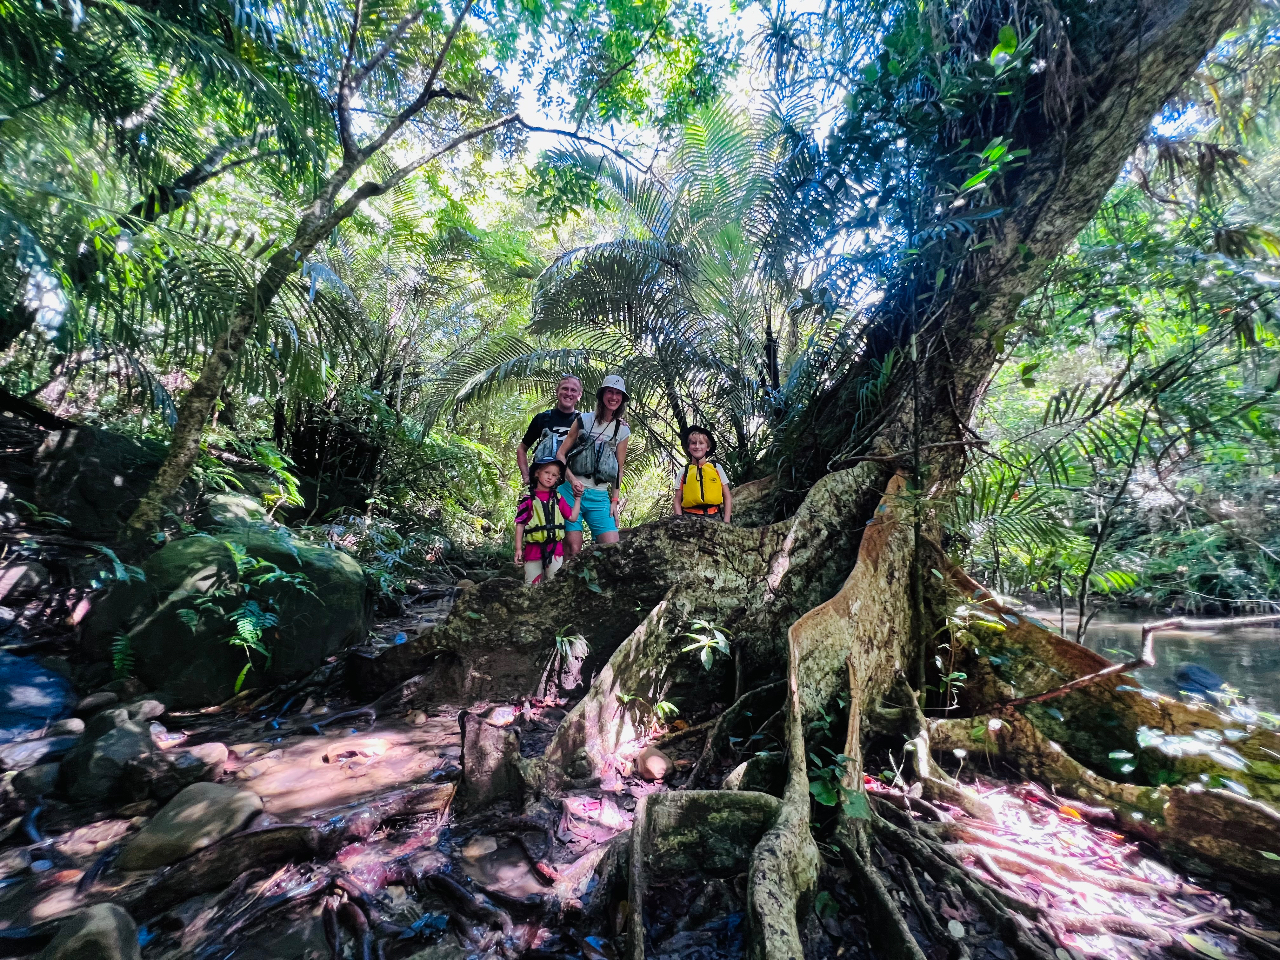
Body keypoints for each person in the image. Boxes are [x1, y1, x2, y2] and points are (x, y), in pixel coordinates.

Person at [557, 374, 630, 555]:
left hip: (599, 496)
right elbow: (560, 454)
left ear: (622, 399)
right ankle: (565, 582)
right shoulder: (583, 420)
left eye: (618, 394)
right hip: (570, 492)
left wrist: (615, 500)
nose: (613, 397)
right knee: (573, 548)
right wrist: (573, 480)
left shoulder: (622, 429)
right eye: (610, 392)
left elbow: (619, 468)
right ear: (602, 394)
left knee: (611, 549)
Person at [514, 458, 581, 585]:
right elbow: (520, 525)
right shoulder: (527, 500)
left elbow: (572, 517)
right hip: (532, 550)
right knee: (531, 586)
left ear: (557, 478)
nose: (550, 477)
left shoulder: (558, 498)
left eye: (554, 475)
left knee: (554, 584)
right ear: (537, 473)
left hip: (555, 549)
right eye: (546, 472)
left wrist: (577, 499)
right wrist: (518, 549)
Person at [516, 375, 583, 485]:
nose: (569, 393)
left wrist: (619, 422)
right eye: (565, 388)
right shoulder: (542, 418)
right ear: (557, 391)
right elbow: (521, 449)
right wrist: (527, 477)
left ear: (579, 395)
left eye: (573, 390)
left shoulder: (585, 421)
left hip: (572, 487)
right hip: (543, 487)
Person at [673, 425, 732, 523]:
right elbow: (677, 500)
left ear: (708, 447)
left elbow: (727, 496)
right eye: (693, 443)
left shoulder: (716, 468)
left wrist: (726, 521)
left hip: (715, 516)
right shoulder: (684, 471)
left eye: (701, 443)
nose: (697, 446)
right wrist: (680, 520)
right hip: (689, 517)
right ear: (688, 447)